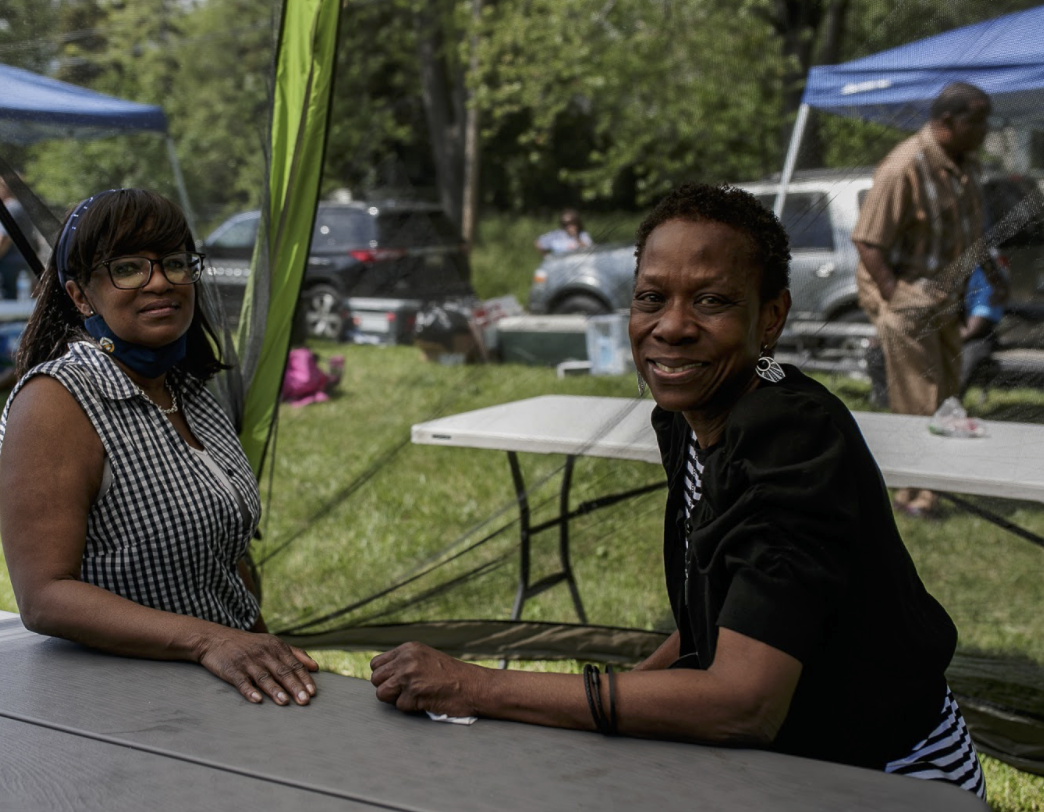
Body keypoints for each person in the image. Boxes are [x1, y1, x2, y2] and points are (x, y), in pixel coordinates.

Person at [371, 184, 983, 798]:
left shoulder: (789, 437)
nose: (671, 327)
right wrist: (616, 704)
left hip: (887, 777)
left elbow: (745, 705)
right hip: (788, 762)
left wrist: (480, 685)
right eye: (651, 298)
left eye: (712, 301)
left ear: (771, 316)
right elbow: (716, 618)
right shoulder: (689, 419)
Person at [0, 189, 317, 706]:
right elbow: (44, 597)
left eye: (173, 262)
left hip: (225, 679)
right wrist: (209, 639)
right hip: (124, 699)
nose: (161, 281)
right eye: (127, 268)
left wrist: (256, 640)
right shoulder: (58, 402)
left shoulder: (187, 389)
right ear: (81, 297)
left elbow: (223, 559)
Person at [852, 81, 1003, 518]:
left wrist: (991, 275)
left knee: (947, 392)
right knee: (918, 396)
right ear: (946, 122)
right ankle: (912, 496)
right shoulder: (903, 167)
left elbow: (971, 235)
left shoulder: (966, 166)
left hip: (945, 296)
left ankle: (936, 481)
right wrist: (897, 299)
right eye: (978, 121)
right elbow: (868, 242)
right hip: (906, 293)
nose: (985, 131)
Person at [959, 254, 1010, 397]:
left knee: (965, 361)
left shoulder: (987, 272)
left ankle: (950, 406)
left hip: (978, 335)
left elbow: (977, 323)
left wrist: (951, 337)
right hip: (954, 331)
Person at [0, 175, 35, 299]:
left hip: (5, 266)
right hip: (11, 265)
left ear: (5, 188)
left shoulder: (11, 208)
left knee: (5, 302)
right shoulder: (17, 207)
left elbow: (3, 238)